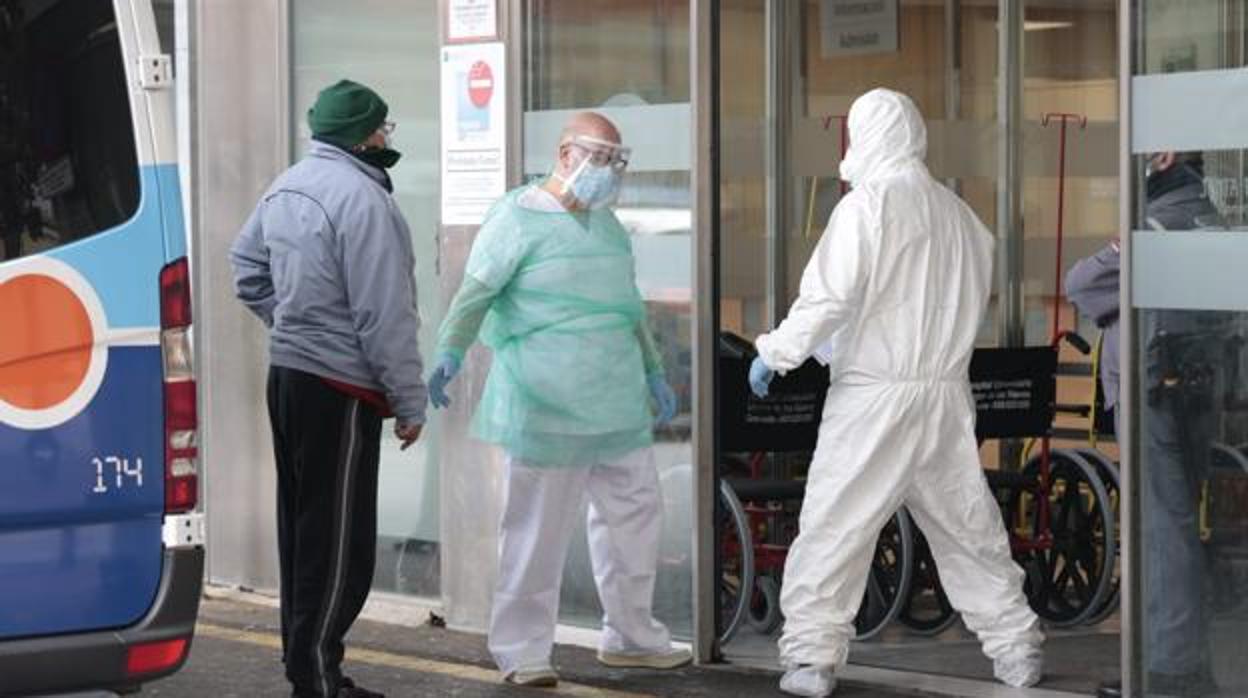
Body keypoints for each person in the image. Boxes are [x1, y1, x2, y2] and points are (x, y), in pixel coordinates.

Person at [746, 88, 1044, 697]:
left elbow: (830, 299)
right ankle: (1017, 648)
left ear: (865, 135)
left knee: (837, 524)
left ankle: (811, 658)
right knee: (967, 525)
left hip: (875, 397)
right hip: (942, 395)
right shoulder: (962, 217)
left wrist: (776, 352)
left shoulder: (868, 207)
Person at [427, 111, 687, 687]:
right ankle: (523, 650)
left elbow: (627, 305)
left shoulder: (608, 224)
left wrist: (651, 369)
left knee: (635, 517)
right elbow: (476, 293)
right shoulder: (517, 217)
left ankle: (630, 635)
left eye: (616, 160)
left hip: (615, 399)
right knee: (535, 529)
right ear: (565, 154)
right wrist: (450, 349)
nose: (607, 171)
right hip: (545, 400)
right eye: (598, 157)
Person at [230, 79, 427, 698]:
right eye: (384, 127)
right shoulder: (365, 201)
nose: (387, 137)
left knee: (302, 531)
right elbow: (384, 315)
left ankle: (308, 669)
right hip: (339, 388)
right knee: (340, 543)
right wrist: (409, 399)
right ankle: (317, 677)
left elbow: (246, 268)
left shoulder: (285, 184)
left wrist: (292, 322)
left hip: (287, 378)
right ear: (367, 134)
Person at [1070, 151, 1227, 698]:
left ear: (1160, 159)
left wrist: (1121, 242)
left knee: (1162, 530)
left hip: (1153, 393)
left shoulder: (1153, 228)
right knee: (1181, 525)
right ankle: (1188, 655)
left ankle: (1166, 667)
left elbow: (1081, 285)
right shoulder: (1213, 220)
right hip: (1202, 390)